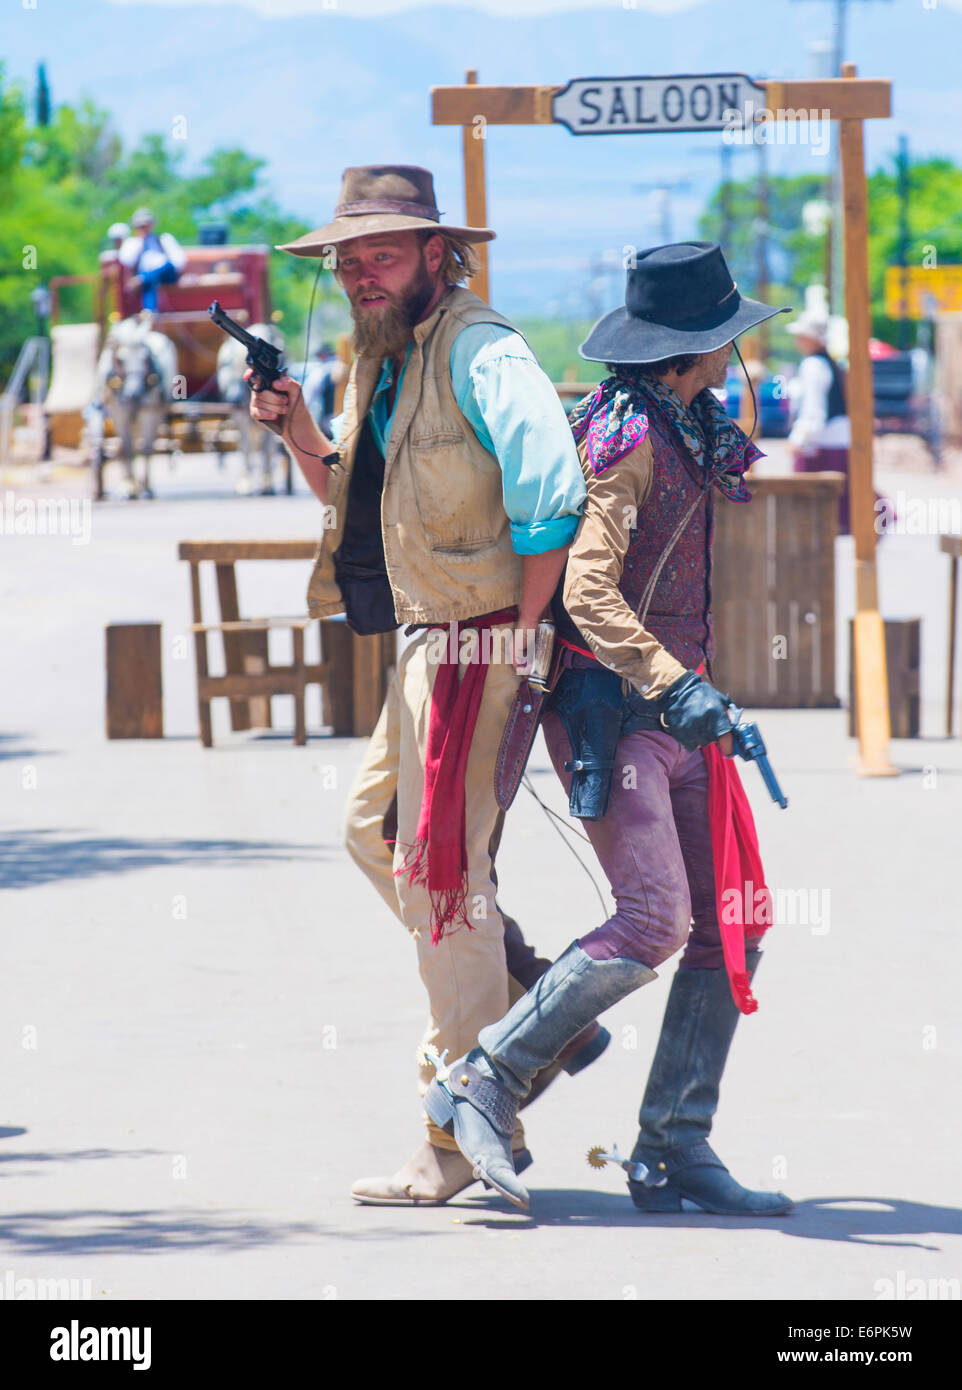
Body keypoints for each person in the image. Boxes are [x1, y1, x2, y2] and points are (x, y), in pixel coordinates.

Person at [248, 165, 605, 1206]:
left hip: (479, 646)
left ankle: (453, 1129)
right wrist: (295, 431)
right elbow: (348, 496)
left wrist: (524, 633)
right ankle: (542, 1010)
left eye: (383, 254)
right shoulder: (388, 359)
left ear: (436, 256)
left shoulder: (482, 348)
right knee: (377, 839)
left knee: (443, 883)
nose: (361, 273)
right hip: (424, 644)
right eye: (350, 259)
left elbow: (550, 489)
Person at [424, 242, 795, 1216]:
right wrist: (677, 684)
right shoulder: (631, 439)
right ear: (696, 348)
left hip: (677, 714)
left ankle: (674, 1145)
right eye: (726, 337)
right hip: (621, 719)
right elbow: (585, 589)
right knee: (652, 921)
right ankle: (482, 1078)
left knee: (730, 928)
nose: (736, 352)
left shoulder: (690, 426)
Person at [787, 310, 852, 531]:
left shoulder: (813, 365)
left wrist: (800, 438)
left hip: (822, 440)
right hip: (835, 436)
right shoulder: (827, 363)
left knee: (814, 500)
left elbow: (814, 409)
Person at [118, 209, 186, 312]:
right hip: (146, 275)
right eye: (140, 226)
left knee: (160, 270)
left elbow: (179, 262)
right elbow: (127, 261)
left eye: (146, 225)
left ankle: (143, 281)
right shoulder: (132, 243)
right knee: (150, 280)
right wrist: (141, 241)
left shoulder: (164, 239)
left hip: (166, 274)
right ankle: (150, 313)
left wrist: (144, 277)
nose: (144, 228)